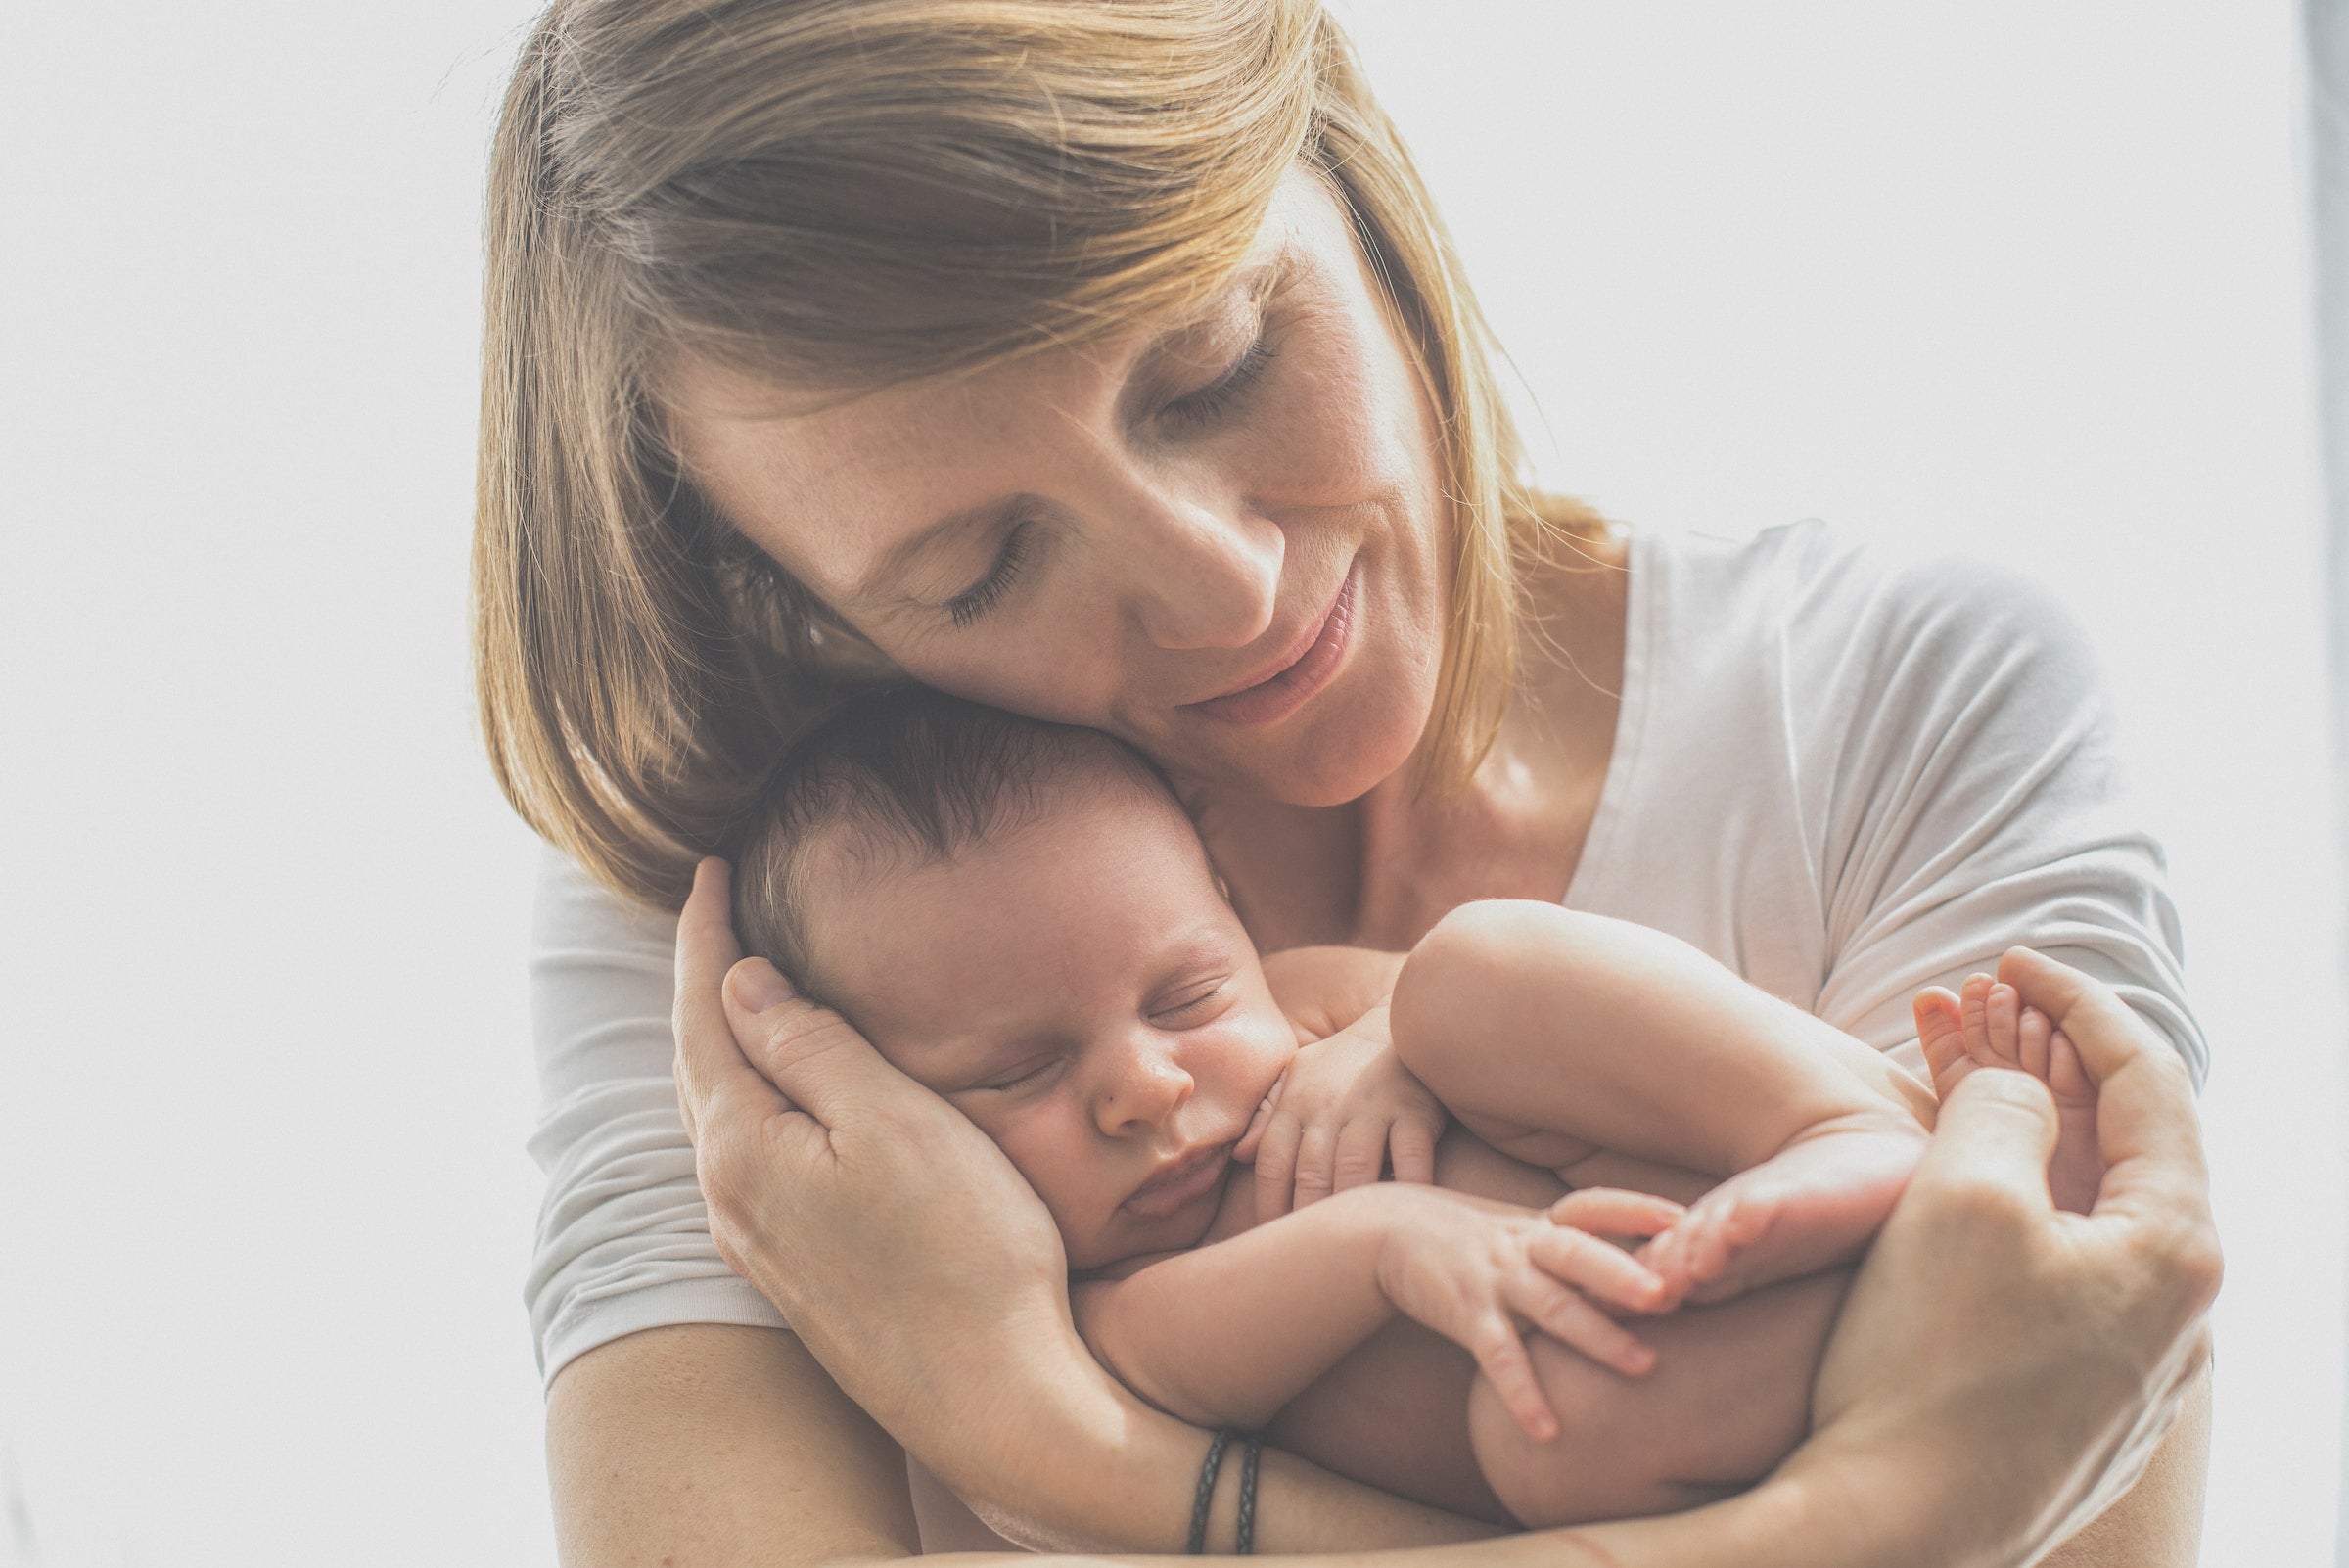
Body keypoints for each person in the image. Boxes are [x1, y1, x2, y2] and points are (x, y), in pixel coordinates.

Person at [476, 0, 2220, 1559]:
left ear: (1349, 164)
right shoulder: (775, 935)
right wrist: (1887, 1507)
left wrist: (1066, 1448)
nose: (1225, 585)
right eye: (978, 567)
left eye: (1222, 358)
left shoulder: (1884, 697)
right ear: (792, 601)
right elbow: (1979, 1447)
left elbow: (2071, 1406)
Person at [724, 686, 1942, 1525]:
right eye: (1017, 1073)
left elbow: (1479, 1012)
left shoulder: (1302, 1003)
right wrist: (1389, 1243)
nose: (1148, 1085)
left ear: (1231, 907)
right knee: (1553, 1437)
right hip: (1673, 1378)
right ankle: (1877, 1296)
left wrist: (1385, 1041)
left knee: (1473, 975)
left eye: (1188, 992)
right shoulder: (1075, 1312)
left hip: (1715, 1191)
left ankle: (1839, 1126)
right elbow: (1174, 1374)